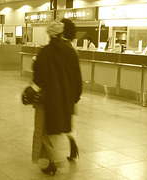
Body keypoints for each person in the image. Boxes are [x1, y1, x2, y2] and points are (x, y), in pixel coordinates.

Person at [32, 20, 82, 176]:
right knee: (60, 129)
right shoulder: (71, 52)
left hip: (47, 101)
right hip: (65, 99)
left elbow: (37, 77)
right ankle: (59, 157)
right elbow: (77, 79)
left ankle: (50, 162)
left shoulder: (44, 53)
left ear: (49, 34)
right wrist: (74, 98)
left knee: (44, 131)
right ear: (62, 33)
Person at [61, 18, 80, 161]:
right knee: (68, 122)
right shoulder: (72, 49)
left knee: (51, 125)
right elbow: (77, 76)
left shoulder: (59, 48)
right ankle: (73, 147)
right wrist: (76, 96)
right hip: (70, 94)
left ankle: (51, 160)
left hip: (59, 93)